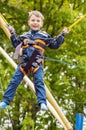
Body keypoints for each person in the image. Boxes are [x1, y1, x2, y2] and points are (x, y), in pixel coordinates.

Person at [0, 10, 68, 111]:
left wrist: (62, 35)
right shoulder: (24, 36)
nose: (35, 23)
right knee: (14, 81)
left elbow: (54, 45)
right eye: (33, 20)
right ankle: (5, 101)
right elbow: (16, 45)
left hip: (37, 63)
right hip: (24, 63)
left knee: (39, 81)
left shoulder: (44, 36)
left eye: (37, 21)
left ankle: (42, 102)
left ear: (41, 23)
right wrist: (12, 33)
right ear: (29, 22)